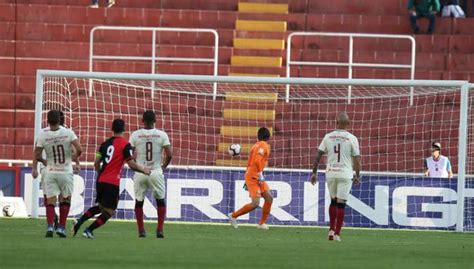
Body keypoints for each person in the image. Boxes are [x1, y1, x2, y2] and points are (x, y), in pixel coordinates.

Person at [73, 119, 151, 239]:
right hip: (112, 182)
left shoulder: (104, 144)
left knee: (101, 207)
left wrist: (101, 174)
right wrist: (143, 170)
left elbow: (96, 163)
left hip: (101, 180)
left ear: (112, 129)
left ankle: (80, 221)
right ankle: (89, 230)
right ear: (124, 130)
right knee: (109, 212)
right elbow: (131, 164)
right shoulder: (126, 145)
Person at [309, 112, 361, 242]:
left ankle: (331, 230)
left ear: (336, 122)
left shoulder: (328, 137)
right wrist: (357, 175)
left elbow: (318, 155)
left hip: (331, 173)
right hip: (345, 174)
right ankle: (337, 234)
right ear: (348, 124)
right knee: (341, 204)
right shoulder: (352, 138)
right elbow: (356, 159)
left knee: (333, 201)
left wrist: (314, 172)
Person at [32, 110, 82, 238]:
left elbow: (36, 154)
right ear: (60, 120)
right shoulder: (68, 132)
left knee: (50, 200)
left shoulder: (43, 134)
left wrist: (40, 164)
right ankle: (61, 228)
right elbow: (79, 149)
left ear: (47, 121)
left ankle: (49, 226)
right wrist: (74, 159)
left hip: (50, 171)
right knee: (65, 199)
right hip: (65, 171)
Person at [130, 111, 172, 238]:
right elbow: (169, 154)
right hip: (155, 171)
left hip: (140, 171)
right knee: (160, 201)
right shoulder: (162, 135)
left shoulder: (135, 135)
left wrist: (136, 166)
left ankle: (141, 231)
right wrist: (163, 167)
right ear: (155, 121)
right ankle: (159, 230)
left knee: (139, 201)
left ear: (142, 120)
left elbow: (129, 154)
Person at [228, 127, 273, 230]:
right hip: (255, 176)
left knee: (269, 198)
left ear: (258, 136)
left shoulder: (255, 146)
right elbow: (257, 161)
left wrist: (248, 176)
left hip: (253, 175)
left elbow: (251, 162)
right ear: (268, 137)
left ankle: (261, 224)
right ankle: (233, 216)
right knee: (255, 203)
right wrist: (260, 174)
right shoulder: (264, 146)